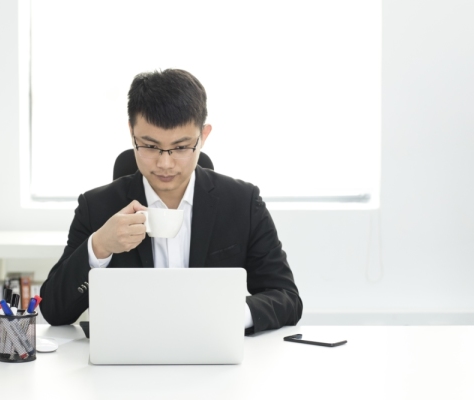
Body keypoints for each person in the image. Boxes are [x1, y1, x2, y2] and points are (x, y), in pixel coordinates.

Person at [40, 69, 302, 335]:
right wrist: (99, 246)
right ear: (131, 132)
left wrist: (229, 315)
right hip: (128, 354)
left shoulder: (242, 203)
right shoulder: (97, 206)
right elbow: (54, 311)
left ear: (204, 136)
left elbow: (287, 298)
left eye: (181, 147)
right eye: (150, 146)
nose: (165, 163)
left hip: (211, 351)